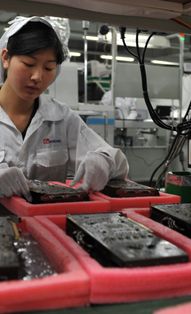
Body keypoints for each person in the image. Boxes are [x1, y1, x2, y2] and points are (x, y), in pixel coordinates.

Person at [0, 16, 129, 200]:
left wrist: (104, 162)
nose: (37, 76)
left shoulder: (61, 118)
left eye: (48, 68)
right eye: (29, 64)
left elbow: (117, 161)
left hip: (47, 226)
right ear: (6, 58)